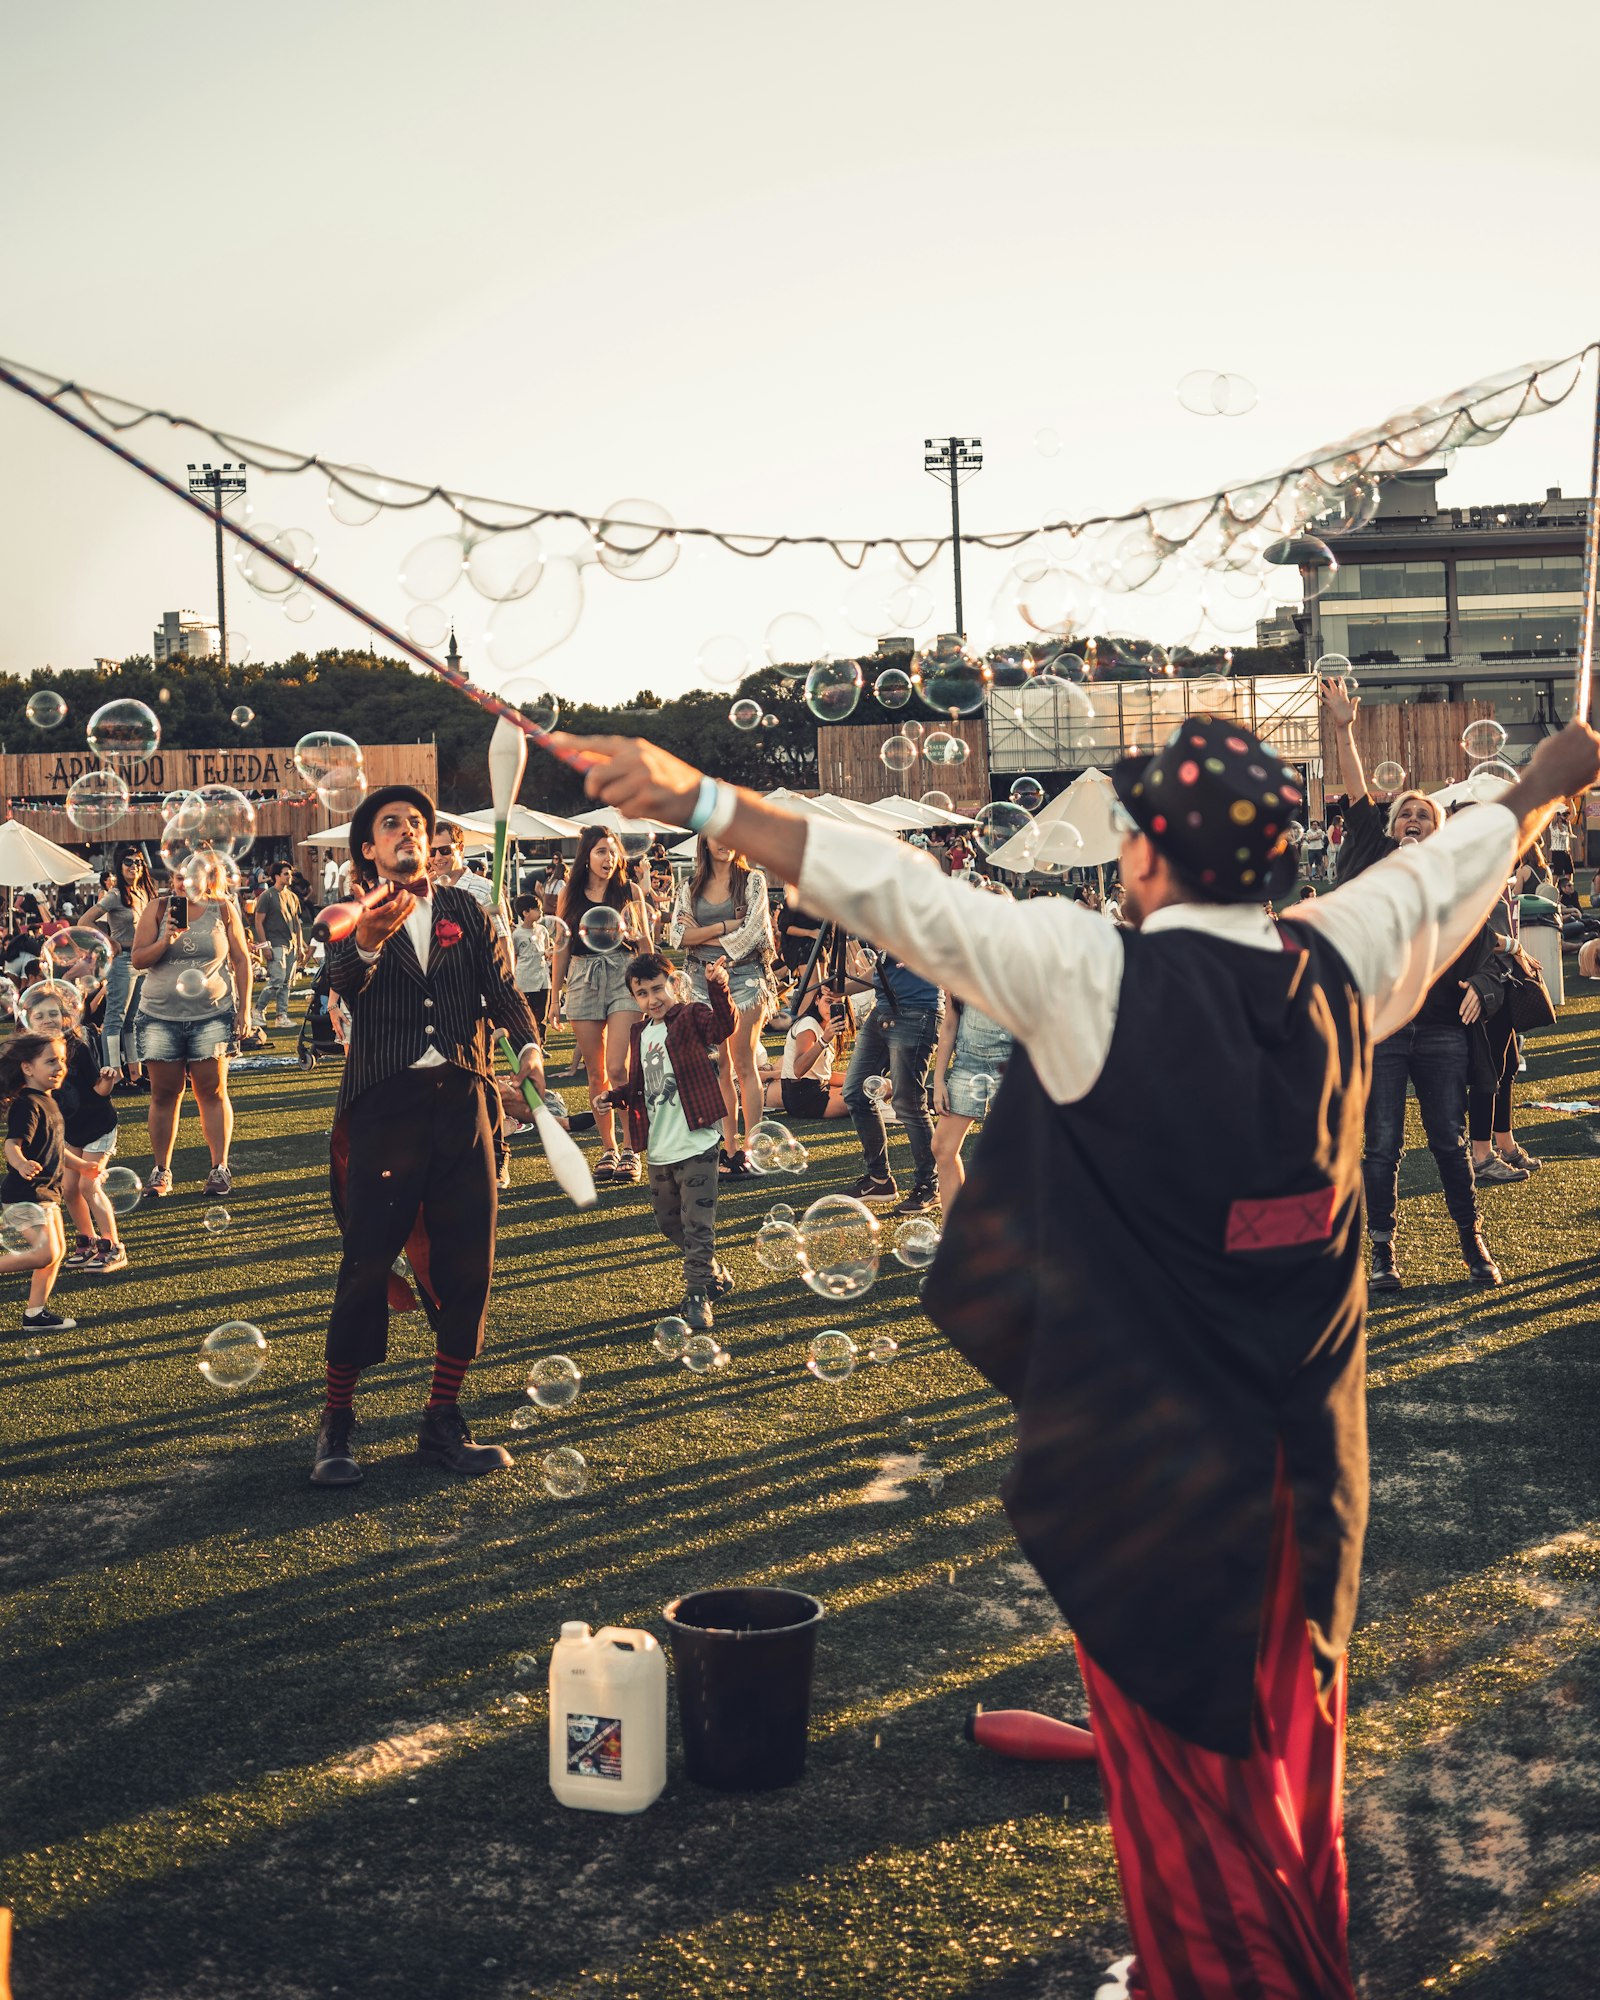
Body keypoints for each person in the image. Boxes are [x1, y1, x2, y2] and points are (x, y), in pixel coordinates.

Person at [550, 712, 1599, 2000]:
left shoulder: (1086, 969)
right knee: (1282, 1754)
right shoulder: (1348, 948)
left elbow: (889, 888)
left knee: (1188, 1784)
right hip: (1307, 1468)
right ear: (1276, 856)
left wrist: (691, 793)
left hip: (1145, 1486)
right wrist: (1548, 778)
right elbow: (1477, 847)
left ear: (1148, 858)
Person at [309, 786, 544, 1489]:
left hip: (464, 1100)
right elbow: (339, 983)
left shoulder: (468, 911)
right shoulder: (355, 916)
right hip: (386, 1106)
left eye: (418, 823)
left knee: (469, 1262)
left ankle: (442, 1420)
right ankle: (336, 1424)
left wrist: (527, 1047)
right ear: (369, 850)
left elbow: (501, 994)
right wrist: (370, 942)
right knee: (366, 1262)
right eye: (392, 825)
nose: (410, 831)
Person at [1322, 676, 1504, 1289]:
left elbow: (1491, 950)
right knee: (1380, 1147)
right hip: (1382, 1030)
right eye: (1405, 814)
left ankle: (1472, 1245)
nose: (1413, 819)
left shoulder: (1454, 883)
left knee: (1450, 1145)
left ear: (1439, 828)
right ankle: (1382, 1256)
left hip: (1444, 1029)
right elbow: (1355, 794)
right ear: (1390, 827)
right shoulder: (1371, 862)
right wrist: (1344, 729)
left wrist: (1483, 982)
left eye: (1424, 815)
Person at [598, 951, 735, 1332]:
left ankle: (697, 1297)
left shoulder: (690, 1016)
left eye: (658, 988)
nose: (652, 999)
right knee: (668, 1222)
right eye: (642, 994)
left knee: (697, 1224)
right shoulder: (640, 1032)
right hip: (659, 1147)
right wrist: (615, 1096)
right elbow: (644, 1088)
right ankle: (713, 1273)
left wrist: (718, 986)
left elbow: (723, 1026)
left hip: (698, 1143)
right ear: (634, 997)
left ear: (672, 985)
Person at [129, 865, 254, 1200]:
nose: (182, 883)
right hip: (159, 1016)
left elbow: (241, 960)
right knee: (164, 1094)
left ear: (207, 878)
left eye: (190, 876)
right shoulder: (157, 909)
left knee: (211, 1092)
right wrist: (166, 938)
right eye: (177, 877)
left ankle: (219, 1169)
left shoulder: (223, 909)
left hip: (211, 1015)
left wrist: (244, 1011)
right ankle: (161, 1171)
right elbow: (139, 959)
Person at [668, 836, 775, 1178]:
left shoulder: (753, 881)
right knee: (718, 1069)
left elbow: (751, 937)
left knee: (744, 1064)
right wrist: (725, 926)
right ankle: (729, 1150)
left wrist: (702, 933)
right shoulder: (690, 885)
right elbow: (676, 937)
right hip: (700, 981)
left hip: (744, 979)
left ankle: (753, 1150)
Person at [551, 827, 648, 1185]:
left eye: (612, 851)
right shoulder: (570, 893)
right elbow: (562, 945)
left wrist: (652, 989)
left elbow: (645, 944)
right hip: (582, 979)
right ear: (586, 858)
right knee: (595, 1074)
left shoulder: (630, 892)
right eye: (600, 852)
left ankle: (630, 1149)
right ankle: (607, 1148)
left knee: (617, 1068)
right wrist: (553, 998)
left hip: (624, 976)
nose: (608, 859)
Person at [830, 938, 943, 1216]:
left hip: (918, 1010)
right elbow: (884, 968)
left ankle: (929, 1186)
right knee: (855, 1092)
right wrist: (843, 988)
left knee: (907, 1102)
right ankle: (879, 1180)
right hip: (884, 1009)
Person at [0, 1030, 73, 1330]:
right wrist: (19, 1163)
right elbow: (11, 1144)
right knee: (47, 1252)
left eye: (63, 1060)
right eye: (51, 1061)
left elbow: (57, 1148)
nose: (59, 1067)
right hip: (24, 1194)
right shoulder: (27, 1104)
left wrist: (85, 1166)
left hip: (46, 1195)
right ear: (28, 1067)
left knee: (56, 1254)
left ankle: (35, 1314)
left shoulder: (48, 1101)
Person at [929, 991, 1013, 1213]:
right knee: (942, 1147)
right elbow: (950, 1022)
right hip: (967, 1063)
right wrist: (938, 1080)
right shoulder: (959, 963)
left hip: (1010, 1063)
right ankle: (953, 1236)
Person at [56, 1016, 126, 1273]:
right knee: (69, 1188)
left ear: (66, 1018)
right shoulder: (33, 1055)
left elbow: (98, 1089)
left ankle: (114, 1246)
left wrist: (107, 1078)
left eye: (54, 1014)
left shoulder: (78, 1048)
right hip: (71, 1129)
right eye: (39, 1015)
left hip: (98, 1125)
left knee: (88, 1184)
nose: (47, 1020)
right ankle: (89, 1241)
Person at [86, 842, 155, 1084]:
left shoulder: (144, 892)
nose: (134, 866)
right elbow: (86, 920)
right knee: (115, 1018)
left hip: (142, 960)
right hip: (123, 960)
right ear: (119, 865)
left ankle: (135, 1073)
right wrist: (108, 941)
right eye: (128, 862)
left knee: (133, 1020)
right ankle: (114, 1076)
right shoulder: (115, 895)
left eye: (138, 862)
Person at [765, 975, 847, 1119]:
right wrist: (824, 1040)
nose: (831, 1008)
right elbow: (798, 1070)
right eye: (828, 1001)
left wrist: (854, 1078)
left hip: (818, 1090)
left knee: (870, 1086)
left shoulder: (824, 1026)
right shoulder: (809, 1025)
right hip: (804, 1099)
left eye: (838, 1004)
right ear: (816, 1000)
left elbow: (821, 1075)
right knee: (865, 1095)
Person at [253, 860, 307, 1030]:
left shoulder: (292, 896)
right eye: (286, 874)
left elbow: (297, 923)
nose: (289, 877)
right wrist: (265, 946)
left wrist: (300, 947)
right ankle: (257, 1010)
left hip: (290, 944)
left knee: (287, 982)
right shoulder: (267, 896)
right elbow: (258, 922)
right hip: (274, 943)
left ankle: (281, 1016)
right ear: (276, 876)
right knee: (277, 979)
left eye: (290, 874)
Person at [511, 895, 551, 1044]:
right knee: (527, 1014)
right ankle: (527, 1044)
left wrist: (549, 954)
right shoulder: (517, 934)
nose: (540, 912)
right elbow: (514, 956)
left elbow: (546, 949)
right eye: (536, 909)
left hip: (542, 978)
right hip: (525, 979)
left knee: (541, 1015)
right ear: (525, 912)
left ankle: (540, 1044)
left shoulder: (542, 930)